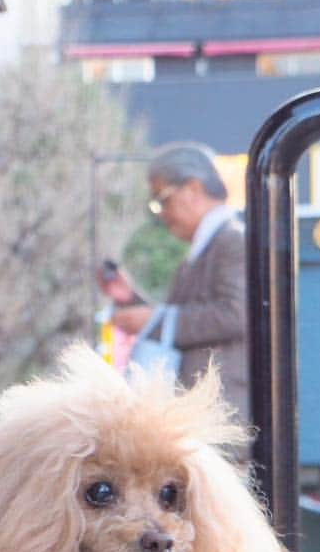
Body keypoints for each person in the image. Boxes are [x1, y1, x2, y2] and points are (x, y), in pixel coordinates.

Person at [99, 142, 249, 430]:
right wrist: (131, 299)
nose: (161, 213)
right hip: (205, 411)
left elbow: (234, 314)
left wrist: (153, 319)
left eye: (162, 199)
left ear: (192, 189)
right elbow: (184, 315)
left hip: (223, 412)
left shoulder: (232, 241)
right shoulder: (206, 247)